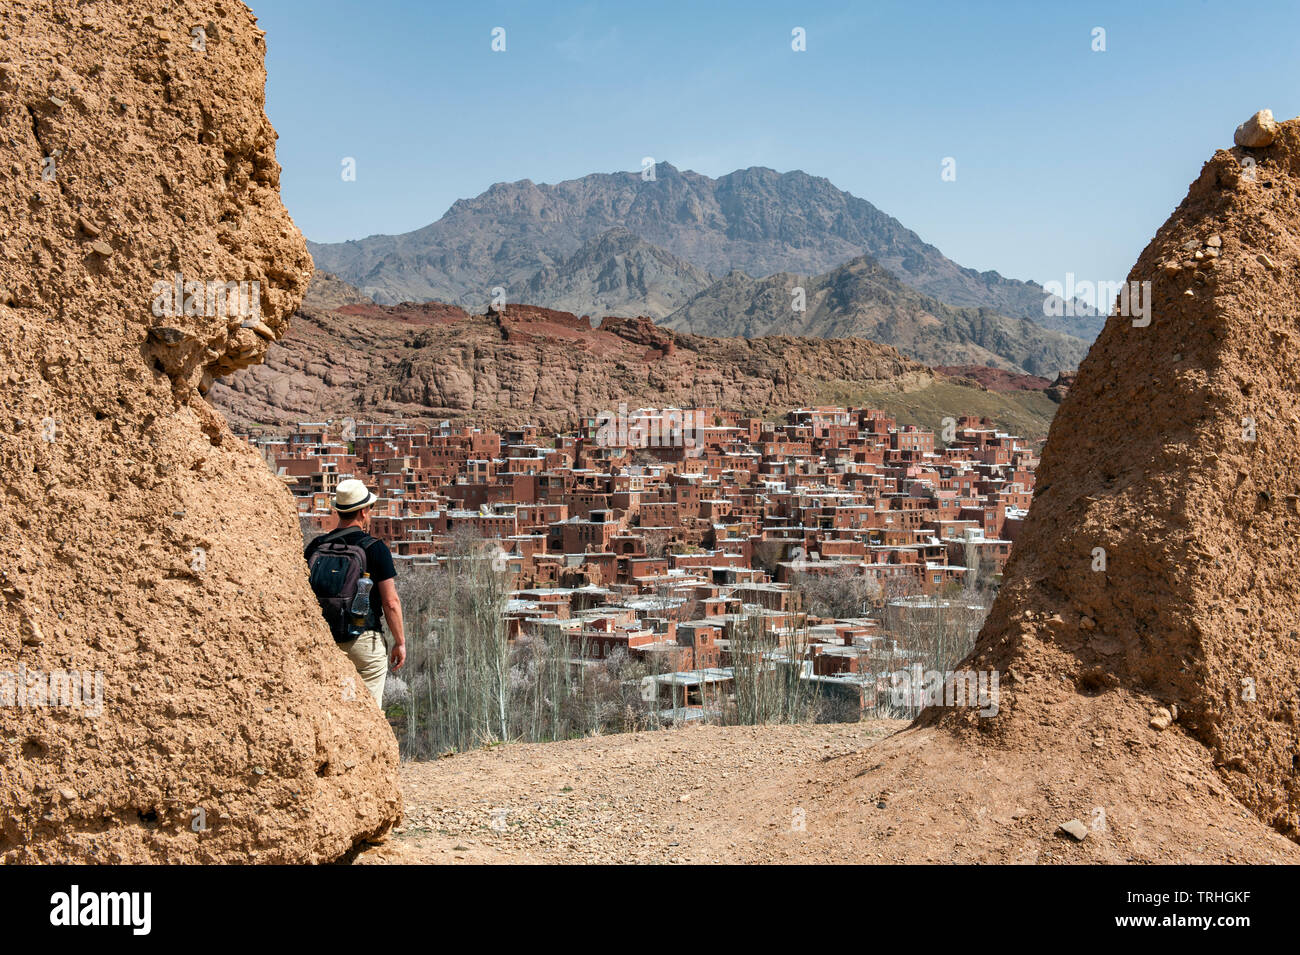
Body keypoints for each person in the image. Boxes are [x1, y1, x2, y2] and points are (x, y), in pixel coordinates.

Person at [304, 478, 405, 707]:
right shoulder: (375, 548)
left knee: (336, 707)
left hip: (324, 641)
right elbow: (390, 602)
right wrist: (400, 642)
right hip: (362, 641)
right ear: (363, 512)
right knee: (367, 712)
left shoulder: (316, 546)